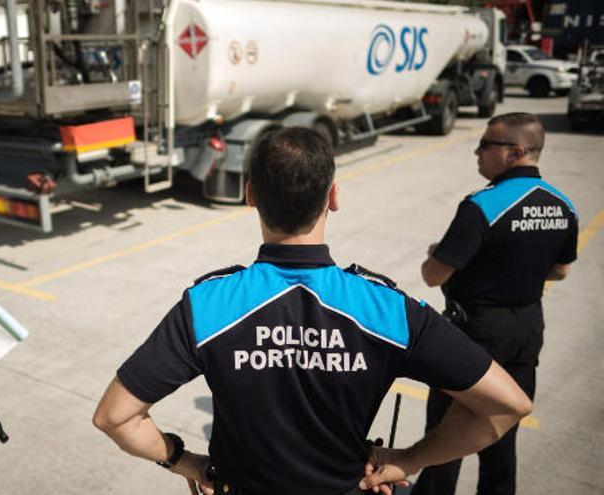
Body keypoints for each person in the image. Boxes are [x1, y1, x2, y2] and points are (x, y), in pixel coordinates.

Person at [92, 127, 532, 495]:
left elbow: (113, 415)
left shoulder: (209, 305)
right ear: (333, 196)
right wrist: (407, 460)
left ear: (250, 196)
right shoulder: (385, 309)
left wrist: (186, 461)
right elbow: (508, 404)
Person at [413, 113, 578, 495]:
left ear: (516, 152)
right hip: (526, 328)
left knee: (445, 433)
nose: (478, 152)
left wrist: (439, 255)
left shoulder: (483, 206)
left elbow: (432, 275)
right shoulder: (562, 204)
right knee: (501, 428)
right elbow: (561, 271)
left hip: (474, 331)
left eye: (486, 144)